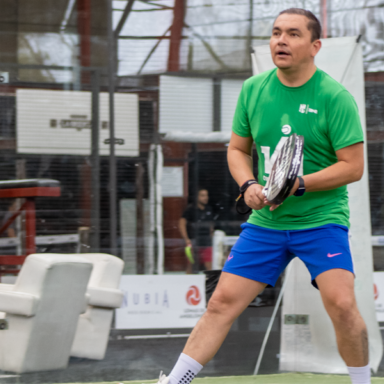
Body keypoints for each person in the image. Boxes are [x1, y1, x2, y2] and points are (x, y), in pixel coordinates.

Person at [151, 8, 369, 384]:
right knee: (220, 303)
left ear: (315, 46)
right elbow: (237, 151)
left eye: (293, 34)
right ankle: (175, 382)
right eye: (276, 33)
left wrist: (298, 184)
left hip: (321, 221)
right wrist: (249, 185)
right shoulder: (254, 89)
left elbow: (352, 166)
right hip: (266, 223)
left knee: (343, 305)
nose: (281, 41)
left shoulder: (336, 97)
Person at [178, 188, 215, 273]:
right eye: (202, 195)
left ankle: (210, 284)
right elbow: (181, 223)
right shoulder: (190, 209)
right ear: (197, 197)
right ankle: (187, 284)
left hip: (206, 242)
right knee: (191, 265)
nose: (206, 198)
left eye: (206, 195)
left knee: (209, 265)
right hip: (193, 241)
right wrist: (186, 239)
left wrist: (211, 235)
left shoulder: (209, 209)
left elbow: (211, 224)